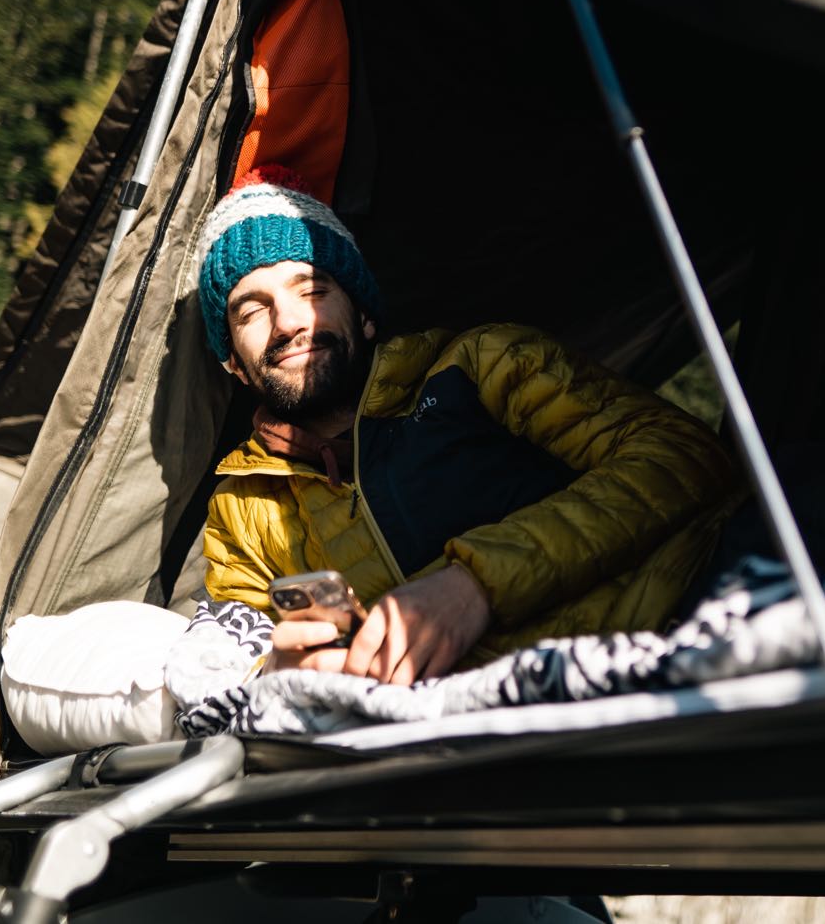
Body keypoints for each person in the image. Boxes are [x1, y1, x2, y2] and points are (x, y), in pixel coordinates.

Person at [197, 169, 736, 685]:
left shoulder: (482, 364)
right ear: (235, 367)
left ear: (362, 314)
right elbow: (229, 663)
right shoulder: (242, 508)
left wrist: (475, 585)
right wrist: (279, 672)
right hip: (461, 747)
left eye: (312, 290)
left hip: (675, 637)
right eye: (252, 312)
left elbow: (684, 454)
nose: (290, 322)